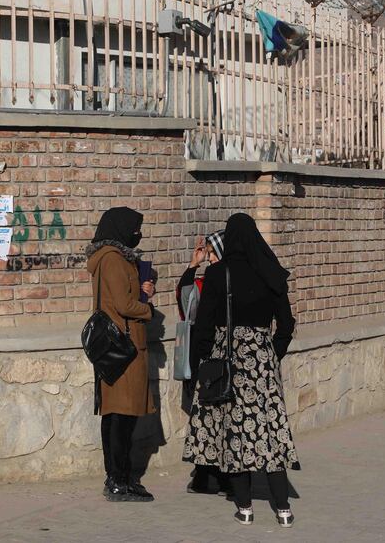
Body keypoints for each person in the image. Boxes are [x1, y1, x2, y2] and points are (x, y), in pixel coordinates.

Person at [182, 213, 299, 528]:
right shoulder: (271, 272)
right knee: (270, 430)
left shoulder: (219, 273)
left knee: (235, 431)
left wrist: (204, 361)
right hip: (261, 361)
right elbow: (286, 325)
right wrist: (271, 352)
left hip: (229, 358)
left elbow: (205, 324)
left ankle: (245, 508)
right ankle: (283, 509)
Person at [85, 207, 156, 503]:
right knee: (120, 417)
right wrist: (147, 306)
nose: (137, 234)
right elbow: (124, 305)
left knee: (117, 415)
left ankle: (120, 478)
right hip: (123, 348)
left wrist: (142, 289)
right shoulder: (113, 260)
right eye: (135, 228)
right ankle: (118, 480)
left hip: (119, 346)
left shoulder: (112, 258)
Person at [175, 231, 228, 496]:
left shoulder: (228, 280)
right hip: (205, 358)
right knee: (206, 419)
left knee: (214, 419)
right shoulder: (207, 280)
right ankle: (206, 476)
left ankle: (216, 476)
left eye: (211, 252)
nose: (209, 257)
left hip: (217, 359)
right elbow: (186, 305)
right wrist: (192, 266)